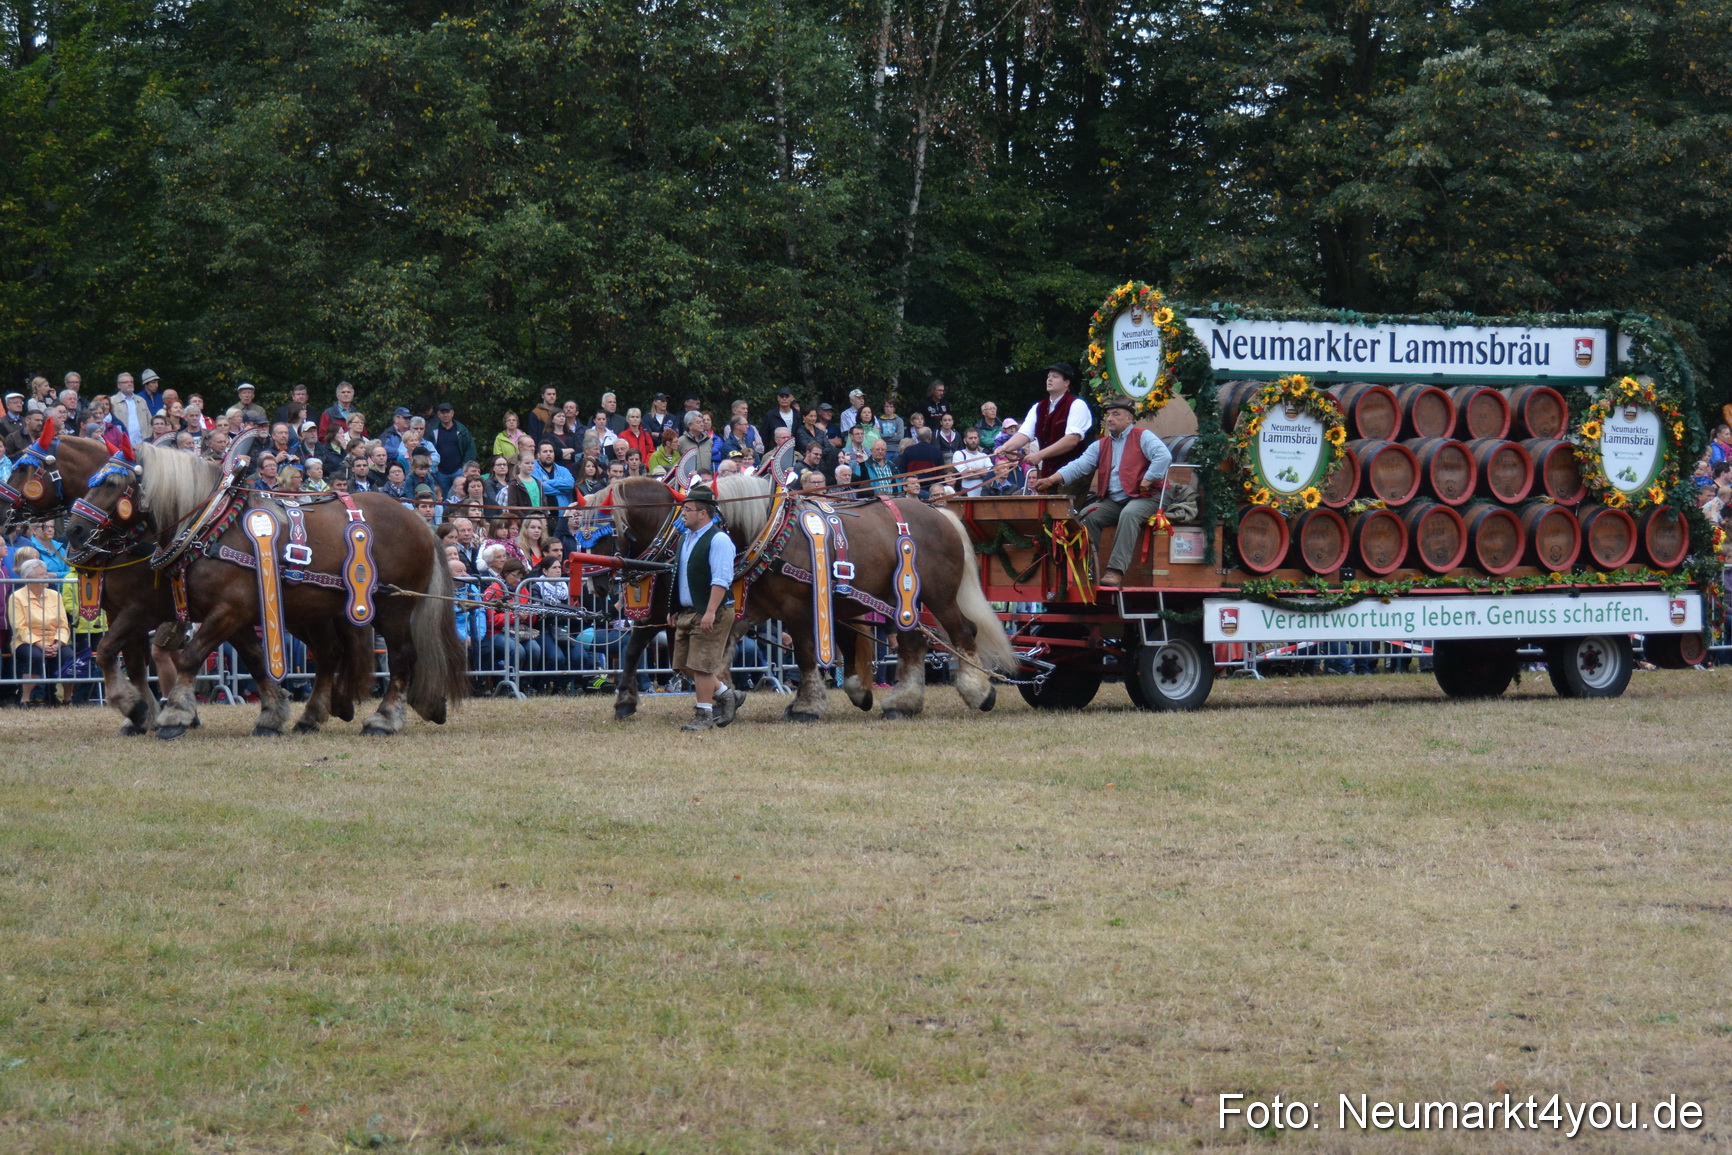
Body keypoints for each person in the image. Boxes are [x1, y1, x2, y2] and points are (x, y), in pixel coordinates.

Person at [1031, 395, 1172, 587]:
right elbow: (1080, 465)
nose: (1110, 419)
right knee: (1087, 515)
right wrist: (1051, 479)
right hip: (1117, 499)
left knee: (1129, 514)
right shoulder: (1101, 444)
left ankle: (1115, 571)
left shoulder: (1143, 436)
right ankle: (1085, 570)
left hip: (1150, 496)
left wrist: (1149, 478)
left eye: (1116, 414)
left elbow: (1164, 456)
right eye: (1108, 415)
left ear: (1129, 418)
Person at [670, 484, 745, 731]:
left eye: (688, 509)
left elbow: (721, 579)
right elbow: (679, 575)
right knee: (683, 664)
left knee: (702, 666)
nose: (683, 514)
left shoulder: (719, 539)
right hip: (690, 610)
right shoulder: (686, 538)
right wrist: (673, 607)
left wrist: (711, 611)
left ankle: (703, 715)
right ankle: (727, 695)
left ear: (703, 513)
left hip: (712, 610)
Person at [995, 362, 1093, 497]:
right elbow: (1024, 433)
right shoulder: (1038, 407)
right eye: (1048, 376)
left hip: (1073, 472)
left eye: (1055, 376)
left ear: (1067, 382)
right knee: (1047, 513)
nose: (1049, 379)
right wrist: (1004, 447)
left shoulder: (1077, 405)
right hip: (1048, 472)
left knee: (1066, 514)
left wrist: (1039, 455)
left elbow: (1071, 440)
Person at [9, 558, 69, 706]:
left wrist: (57, 643)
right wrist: (40, 644)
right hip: (25, 641)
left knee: (69, 656)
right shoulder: (16, 597)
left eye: (46, 573)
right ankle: (25, 699)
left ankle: (68, 699)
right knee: (34, 657)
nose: (46, 577)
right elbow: (20, 627)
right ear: (29, 578)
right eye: (42, 574)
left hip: (53, 640)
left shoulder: (56, 595)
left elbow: (63, 625)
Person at [951, 428, 992, 496]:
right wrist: (982, 472)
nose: (973, 440)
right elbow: (963, 474)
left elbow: (990, 474)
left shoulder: (984, 456)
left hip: (983, 494)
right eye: (970, 438)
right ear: (965, 440)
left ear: (978, 439)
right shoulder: (959, 454)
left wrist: (971, 470)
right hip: (966, 494)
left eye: (975, 438)